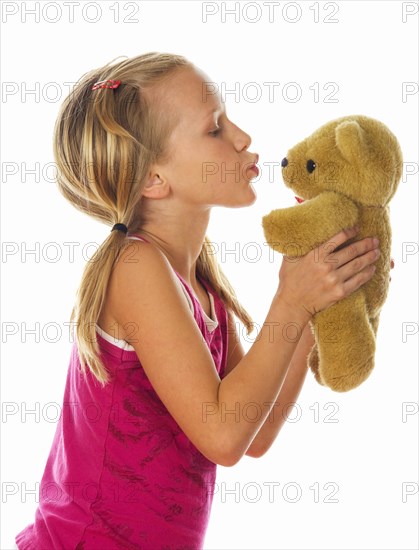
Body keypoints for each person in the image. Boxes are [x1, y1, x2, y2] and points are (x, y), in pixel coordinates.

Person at [15, 52, 382, 549]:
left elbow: (255, 433)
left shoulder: (203, 288)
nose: (243, 138)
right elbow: (222, 438)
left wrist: (318, 297)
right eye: (214, 129)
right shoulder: (136, 267)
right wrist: (291, 300)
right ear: (152, 179)